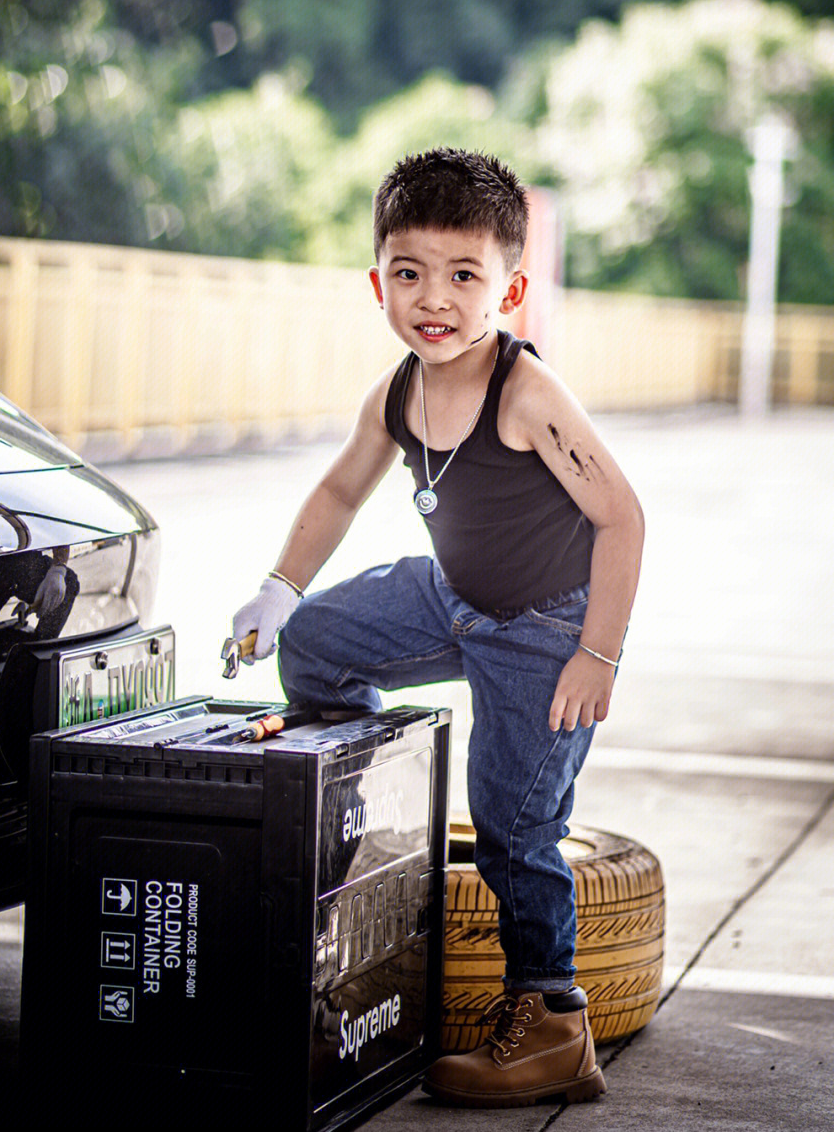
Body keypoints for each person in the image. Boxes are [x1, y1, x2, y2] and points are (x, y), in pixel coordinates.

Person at [229, 147, 644, 1108]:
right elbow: (339, 488)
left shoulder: (528, 394)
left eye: (465, 275)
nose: (435, 298)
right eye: (410, 273)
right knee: (317, 644)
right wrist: (278, 587)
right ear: (379, 281)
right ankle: (361, 798)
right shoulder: (399, 390)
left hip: (545, 630)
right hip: (452, 596)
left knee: (511, 823)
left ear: (511, 289)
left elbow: (624, 518)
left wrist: (598, 653)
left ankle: (550, 1018)